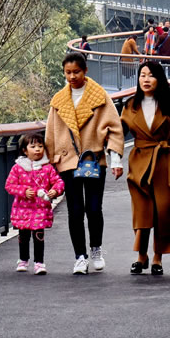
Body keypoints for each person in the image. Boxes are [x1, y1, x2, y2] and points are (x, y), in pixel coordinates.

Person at [45, 52, 125, 275]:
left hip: (93, 158)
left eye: (76, 72)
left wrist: (115, 159)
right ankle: (80, 256)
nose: (72, 77)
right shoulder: (58, 101)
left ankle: (96, 249)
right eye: (68, 73)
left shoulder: (100, 97)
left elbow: (115, 129)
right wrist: (49, 164)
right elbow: (50, 133)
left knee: (93, 208)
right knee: (74, 210)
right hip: (67, 159)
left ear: (85, 71)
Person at [119, 61, 170, 275]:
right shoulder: (130, 105)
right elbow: (118, 132)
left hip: (166, 163)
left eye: (150, 75)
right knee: (142, 212)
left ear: (159, 79)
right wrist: (114, 157)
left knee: (163, 213)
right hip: (139, 163)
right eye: (142, 75)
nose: (145, 79)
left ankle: (157, 257)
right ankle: (141, 255)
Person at [5, 132, 65, 275]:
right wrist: (24, 191)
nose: (37, 149)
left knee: (39, 236)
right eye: (33, 147)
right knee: (23, 236)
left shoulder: (47, 167)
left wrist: (55, 191)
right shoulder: (18, 168)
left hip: (40, 208)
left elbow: (58, 182)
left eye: (40, 146)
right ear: (25, 151)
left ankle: (39, 262)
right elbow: (9, 185)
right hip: (22, 209)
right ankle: (23, 259)